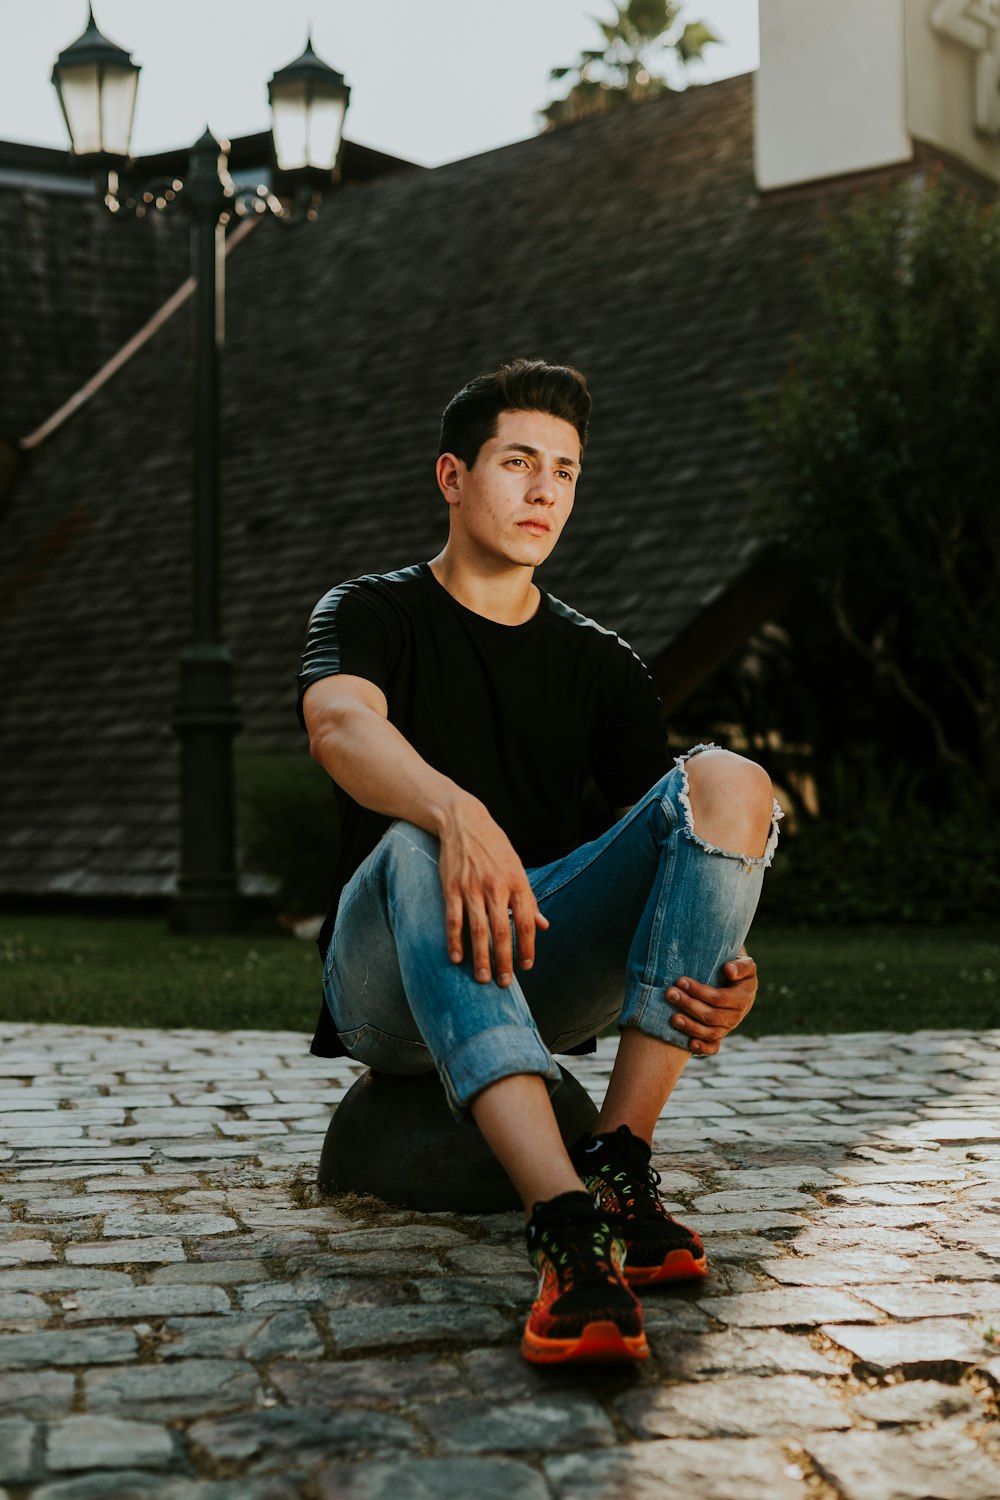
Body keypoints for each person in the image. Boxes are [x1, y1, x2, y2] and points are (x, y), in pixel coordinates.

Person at [296, 357, 782, 1365]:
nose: (543, 491)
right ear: (452, 477)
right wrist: (454, 808)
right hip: (387, 987)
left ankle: (619, 1160)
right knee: (414, 841)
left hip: (540, 958)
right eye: (518, 462)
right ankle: (563, 1223)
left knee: (731, 780)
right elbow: (339, 725)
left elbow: (670, 848)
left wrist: (719, 962)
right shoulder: (371, 612)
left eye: (564, 470)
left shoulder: (603, 666)